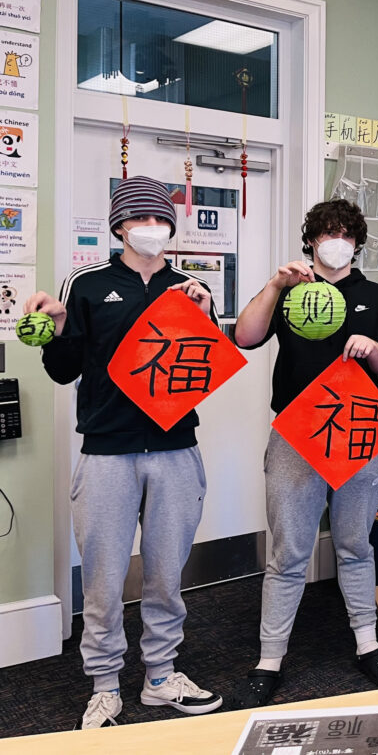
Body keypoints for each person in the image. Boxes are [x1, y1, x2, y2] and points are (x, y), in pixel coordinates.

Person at [27, 176, 222, 729]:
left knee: (166, 572)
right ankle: (105, 684)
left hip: (176, 448)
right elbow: (64, 370)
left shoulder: (188, 286)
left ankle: (160, 676)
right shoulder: (85, 283)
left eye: (162, 221)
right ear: (120, 226)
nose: (154, 230)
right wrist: (59, 330)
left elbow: (205, 372)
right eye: (143, 220)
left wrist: (205, 317)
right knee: (105, 575)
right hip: (107, 452)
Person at [231, 199, 378, 707]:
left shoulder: (376, 295)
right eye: (327, 232)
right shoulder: (290, 293)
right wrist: (274, 285)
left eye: (346, 233)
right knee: (288, 552)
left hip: (357, 432)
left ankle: (368, 643)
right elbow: (245, 336)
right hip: (295, 433)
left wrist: (369, 348)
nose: (336, 240)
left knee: (355, 545)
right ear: (310, 240)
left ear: (356, 242)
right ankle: (270, 658)